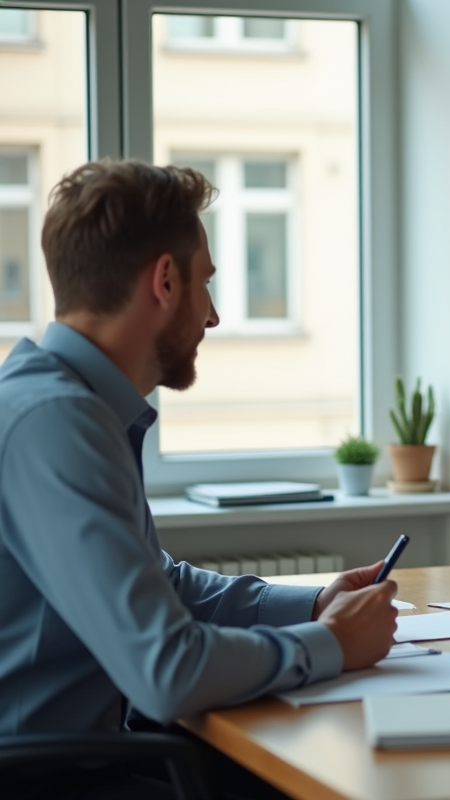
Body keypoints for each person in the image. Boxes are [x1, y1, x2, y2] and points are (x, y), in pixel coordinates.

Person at [0, 160, 399, 797]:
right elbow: (168, 671)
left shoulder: (69, 406)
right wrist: (329, 643)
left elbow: (159, 583)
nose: (211, 316)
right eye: (204, 283)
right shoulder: (58, 424)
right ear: (164, 280)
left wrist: (314, 604)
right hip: (45, 780)